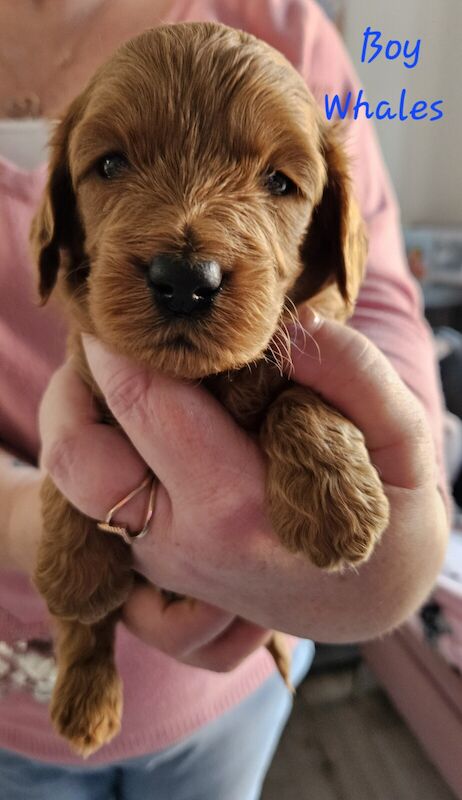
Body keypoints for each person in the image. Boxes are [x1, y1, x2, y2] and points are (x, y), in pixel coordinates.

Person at [0, 1, 449, 797]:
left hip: (231, 701)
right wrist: (35, 516)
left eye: (277, 182)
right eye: (113, 166)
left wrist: (408, 542)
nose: (189, 256)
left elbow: (372, 297)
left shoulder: (286, 26)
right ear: (60, 215)